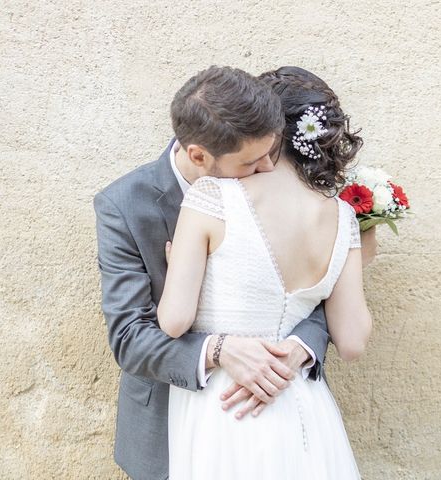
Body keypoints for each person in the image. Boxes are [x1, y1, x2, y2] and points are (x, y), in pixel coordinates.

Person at [94, 66, 350, 480]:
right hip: (172, 427)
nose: (269, 168)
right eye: (252, 161)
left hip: (277, 418)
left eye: (272, 151)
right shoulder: (123, 205)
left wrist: (300, 346)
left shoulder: (273, 182)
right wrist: (220, 350)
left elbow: (312, 293)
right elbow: (129, 338)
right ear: (198, 155)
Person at [158, 66, 373, 479]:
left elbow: (173, 320)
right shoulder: (343, 216)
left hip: (225, 404)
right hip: (302, 404)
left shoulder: (213, 197)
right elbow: (352, 341)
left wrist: (179, 267)